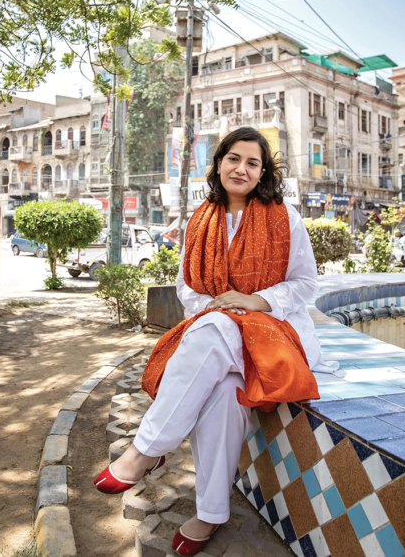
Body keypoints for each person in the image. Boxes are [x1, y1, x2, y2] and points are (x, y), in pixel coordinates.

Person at [92, 127, 337, 555]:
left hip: (276, 331)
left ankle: (148, 448)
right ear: (219, 163)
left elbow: (305, 284)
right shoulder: (200, 219)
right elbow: (187, 287)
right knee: (224, 391)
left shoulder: (284, 216)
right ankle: (210, 513)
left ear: (263, 172)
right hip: (222, 335)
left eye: (252, 162)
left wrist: (251, 301)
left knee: (217, 328)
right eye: (233, 159)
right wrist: (220, 308)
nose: (241, 168)